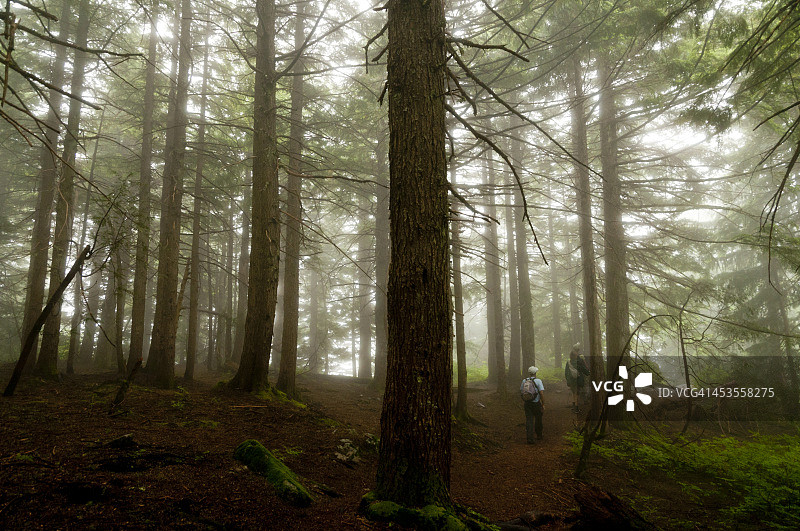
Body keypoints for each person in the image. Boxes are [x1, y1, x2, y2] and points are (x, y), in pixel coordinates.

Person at [520, 366, 545, 443]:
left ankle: (529, 438)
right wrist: (543, 403)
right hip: (536, 403)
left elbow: (521, 391)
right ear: (535, 373)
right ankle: (539, 435)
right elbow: (541, 393)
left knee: (529, 420)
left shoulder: (524, 381)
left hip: (527, 403)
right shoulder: (538, 381)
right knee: (538, 419)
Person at [565, 345, 590, 412]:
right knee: (577, 394)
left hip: (571, 380)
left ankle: (574, 407)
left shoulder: (568, 362)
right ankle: (576, 408)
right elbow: (584, 370)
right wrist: (588, 372)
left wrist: (568, 381)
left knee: (574, 393)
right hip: (578, 380)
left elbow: (566, 372)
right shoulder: (579, 362)